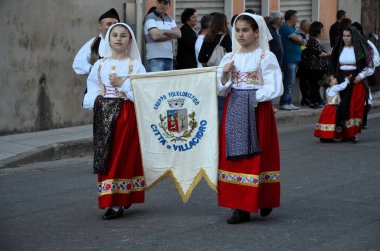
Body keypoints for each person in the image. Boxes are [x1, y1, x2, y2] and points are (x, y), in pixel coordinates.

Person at [217, 13, 283, 224]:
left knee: (258, 155)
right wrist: (225, 75)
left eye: (245, 30)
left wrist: (252, 97)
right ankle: (240, 206)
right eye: (237, 30)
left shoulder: (266, 57)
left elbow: (275, 87)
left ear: (256, 32)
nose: (240, 34)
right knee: (234, 156)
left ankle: (263, 198)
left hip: (257, 109)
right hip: (234, 107)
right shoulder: (229, 58)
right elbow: (220, 89)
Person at [83, 23, 146, 220]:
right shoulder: (100, 64)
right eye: (115, 35)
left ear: (130, 41)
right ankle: (116, 197)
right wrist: (95, 101)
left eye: (123, 35)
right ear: (109, 39)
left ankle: (116, 202)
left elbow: (143, 90)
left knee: (121, 155)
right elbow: (92, 85)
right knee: (106, 156)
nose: (118, 38)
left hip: (125, 113)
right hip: (103, 112)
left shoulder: (134, 65)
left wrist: (123, 84)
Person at [330, 26, 374, 143]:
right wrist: (333, 76)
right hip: (341, 79)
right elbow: (333, 64)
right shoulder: (339, 47)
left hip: (355, 79)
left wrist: (361, 76)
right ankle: (342, 133)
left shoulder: (360, 49)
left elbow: (370, 66)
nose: (345, 38)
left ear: (353, 36)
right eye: (344, 36)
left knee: (353, 107)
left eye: (348, 36)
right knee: (340, 106)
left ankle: (352, 133)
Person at [73, 8, 120, 75]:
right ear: (100, 26)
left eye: (115, 24)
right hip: (96, 84)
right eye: (109, 24)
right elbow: (77, 64)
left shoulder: (125, 43)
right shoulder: (94, 42)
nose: (112, 27)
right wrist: (93, 69)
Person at [351, 22, 380, 128]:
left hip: (362, 77)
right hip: (349, 77)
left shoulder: (367, 44)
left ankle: (363, 121)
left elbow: (376, 59)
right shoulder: (346, 45)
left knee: (366, 100)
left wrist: (366, 70)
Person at [144, 0, 181, 72]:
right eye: (160, 2)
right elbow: (155, 36)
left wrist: (163, 31)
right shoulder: (150, 17)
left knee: (168, 83)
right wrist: (171, 34)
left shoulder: (170, 18)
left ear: (169, 5)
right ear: (156, 3)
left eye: (165, 3)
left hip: (169, 58)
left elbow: (179, 34)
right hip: (154, 59)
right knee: (156, 83)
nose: (162, 5)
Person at [299, 21, 330, 108]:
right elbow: (319, 53)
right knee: (314, 85)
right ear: (318, 30)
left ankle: (315, 101)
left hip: (317, 67)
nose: (323, 31)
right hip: (315, 68)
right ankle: (314, 102)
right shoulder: (313, 41)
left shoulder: (315, 41)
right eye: (322, 29)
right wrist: (329, 54)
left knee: (315, 85)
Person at [279, 10, 305, 111]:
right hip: (288, 59)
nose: (297, 19)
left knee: (291, 82)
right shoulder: (285, 27)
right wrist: (300, 40)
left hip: (295, 59)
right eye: (296, 17)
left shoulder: (293, 28)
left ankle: (288, 101)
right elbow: (299, 40)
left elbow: (303, 41)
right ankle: (284, 102)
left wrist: (300, 40)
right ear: (291, 17)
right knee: (288, 82)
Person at [314, 74, 352, 142]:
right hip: (333, 108)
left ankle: (324, 136)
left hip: (328, 108)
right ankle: (329, 137)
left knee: (327, 122)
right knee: (334, 121)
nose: (335, 78)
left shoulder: (328, 89)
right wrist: (347, 80)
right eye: (333, 78)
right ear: (330, 82)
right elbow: (342, 87)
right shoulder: (334, 87)